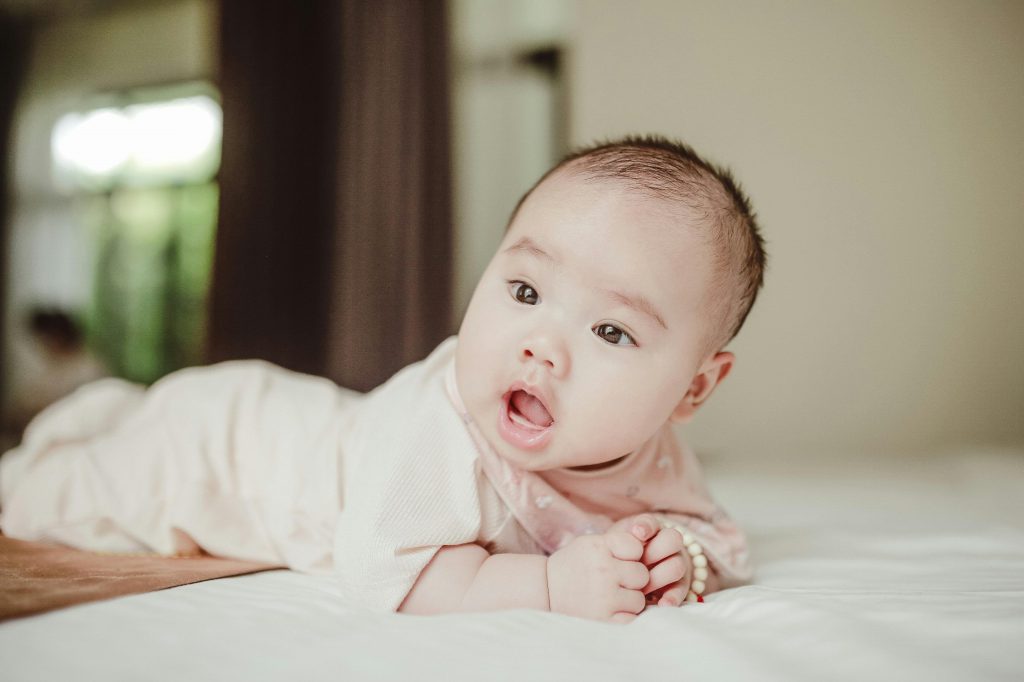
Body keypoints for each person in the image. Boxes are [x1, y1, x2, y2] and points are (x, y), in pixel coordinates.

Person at [0, 135, 765, 623]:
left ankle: (105, 419)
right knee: (51, 499)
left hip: (277, 423)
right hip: (224, 454)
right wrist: (553, 589)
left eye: (610, 331)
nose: (543, 348)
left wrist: (677, 556)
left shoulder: (653, 456)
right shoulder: (440, 427)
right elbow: (384, 573)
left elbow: (715, 538)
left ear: (693, 390)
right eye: (526, 293)